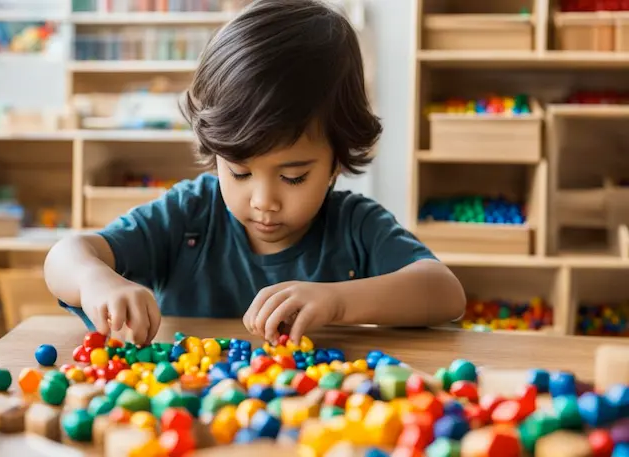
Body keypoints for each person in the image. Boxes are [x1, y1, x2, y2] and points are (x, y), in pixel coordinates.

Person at [44, 0, 466, 346]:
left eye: (294, 176)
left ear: (337, 159)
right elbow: (65, 256)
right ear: (216, 153)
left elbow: (445, 292)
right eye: (240, 172)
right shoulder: (189, 216)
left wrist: (338, 301)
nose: (263, 200)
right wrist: (96, 280)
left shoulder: (354, 227)